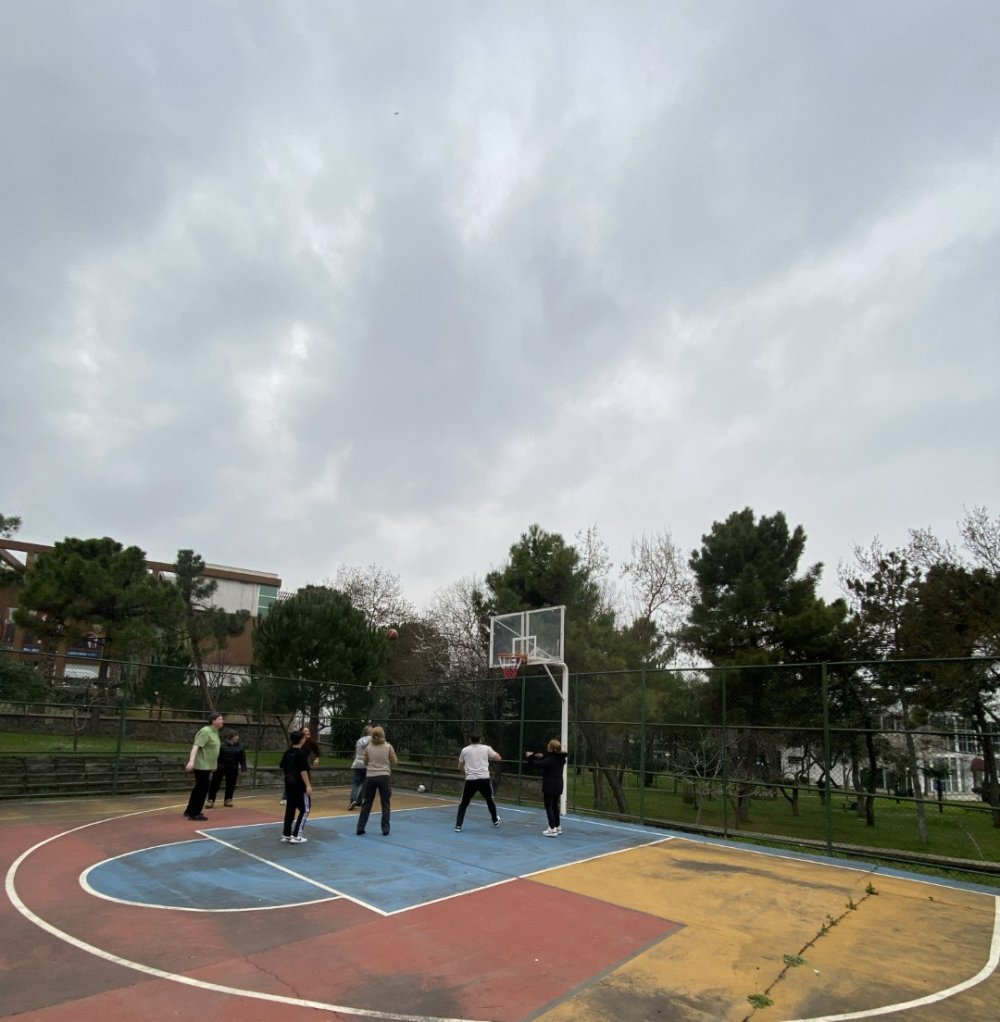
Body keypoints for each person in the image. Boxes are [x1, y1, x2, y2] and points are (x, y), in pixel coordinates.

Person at [454, 734, 501, 832]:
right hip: (484, 779)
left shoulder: (465, 750)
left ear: (469, 740)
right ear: (480, 740)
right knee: (489, 800)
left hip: (470, 780)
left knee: (463, 803)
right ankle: (495, 820)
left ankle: (458, 825)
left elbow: (459, 766)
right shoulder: (486, 748)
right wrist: (488, 755)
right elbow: (498, 758)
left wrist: (466, 772)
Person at [356, 726, 397, 836]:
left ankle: (360, 827)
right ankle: (385, 828)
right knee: (385, 803)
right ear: (383, 735)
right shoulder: (388, 747)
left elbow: (365, 762)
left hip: (370, 777)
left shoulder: (369, 747)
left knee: (367, 803)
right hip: (384, 776)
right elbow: (394, 760)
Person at [183, 712, 224, 821]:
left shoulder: (215, 732)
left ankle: (190, 810)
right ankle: (195, 813)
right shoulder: (206, 731)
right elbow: (196, 746)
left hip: (207, 765)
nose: (222, 721)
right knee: (202, 789)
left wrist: (214, 764)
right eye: (220, 719)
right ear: (213, 721)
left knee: (199, 788)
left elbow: (213, 750)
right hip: (202, 765)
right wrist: (191, 761)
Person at [525, 739, 569, 835]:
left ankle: (552, 828)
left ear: (552, 748)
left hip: (550, 785)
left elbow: (536, 764)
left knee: (548, 806)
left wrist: (530, 757)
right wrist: (541, 756)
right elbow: (547, 758)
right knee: (555, 806)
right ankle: (557, 826)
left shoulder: (550, 760)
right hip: (558, 784)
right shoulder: (560, 758)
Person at [279, 730, 313, 843]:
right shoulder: (301, 753)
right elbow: (303, 771)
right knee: (305, 809)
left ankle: (286, 834)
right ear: (301, 740)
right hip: (299, 785)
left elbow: (282, 766)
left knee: (290, 809)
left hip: (289, 785)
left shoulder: (288, 752)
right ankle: (296, 835)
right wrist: (308, 785)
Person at [281, 724, 321, 803]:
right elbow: (290, 753)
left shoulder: (311, 742)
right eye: (305, 731)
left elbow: (317, 750)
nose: (307, 732)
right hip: (295, 764)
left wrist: (317, 758)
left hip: (303, 763)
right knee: (292, 779)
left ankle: (304, 795)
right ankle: (285, 797)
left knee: (305, 779)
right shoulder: (296, 744)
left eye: (308, 731)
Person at [206, 731, 247, 808]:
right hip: (220, 767)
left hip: (233, 768)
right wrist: (213, 765)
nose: (237, 737)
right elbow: (215, 755)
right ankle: (210, 800)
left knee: (231, 784)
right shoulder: (221, 745)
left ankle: (228, 799)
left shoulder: (240, 747)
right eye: (235, 736)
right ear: (231, 737)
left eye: (237, 736)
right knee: (215, 784)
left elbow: (242, 758)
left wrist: (243, 768)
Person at [348, 725, 372, 809]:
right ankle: (359, 801)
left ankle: (353, 800)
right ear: (369, 732)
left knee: (356, 783)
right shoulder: (372, 740)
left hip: (358, 764)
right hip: (367, 765)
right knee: (365, 783)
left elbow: (357, 752)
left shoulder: (359, 740)